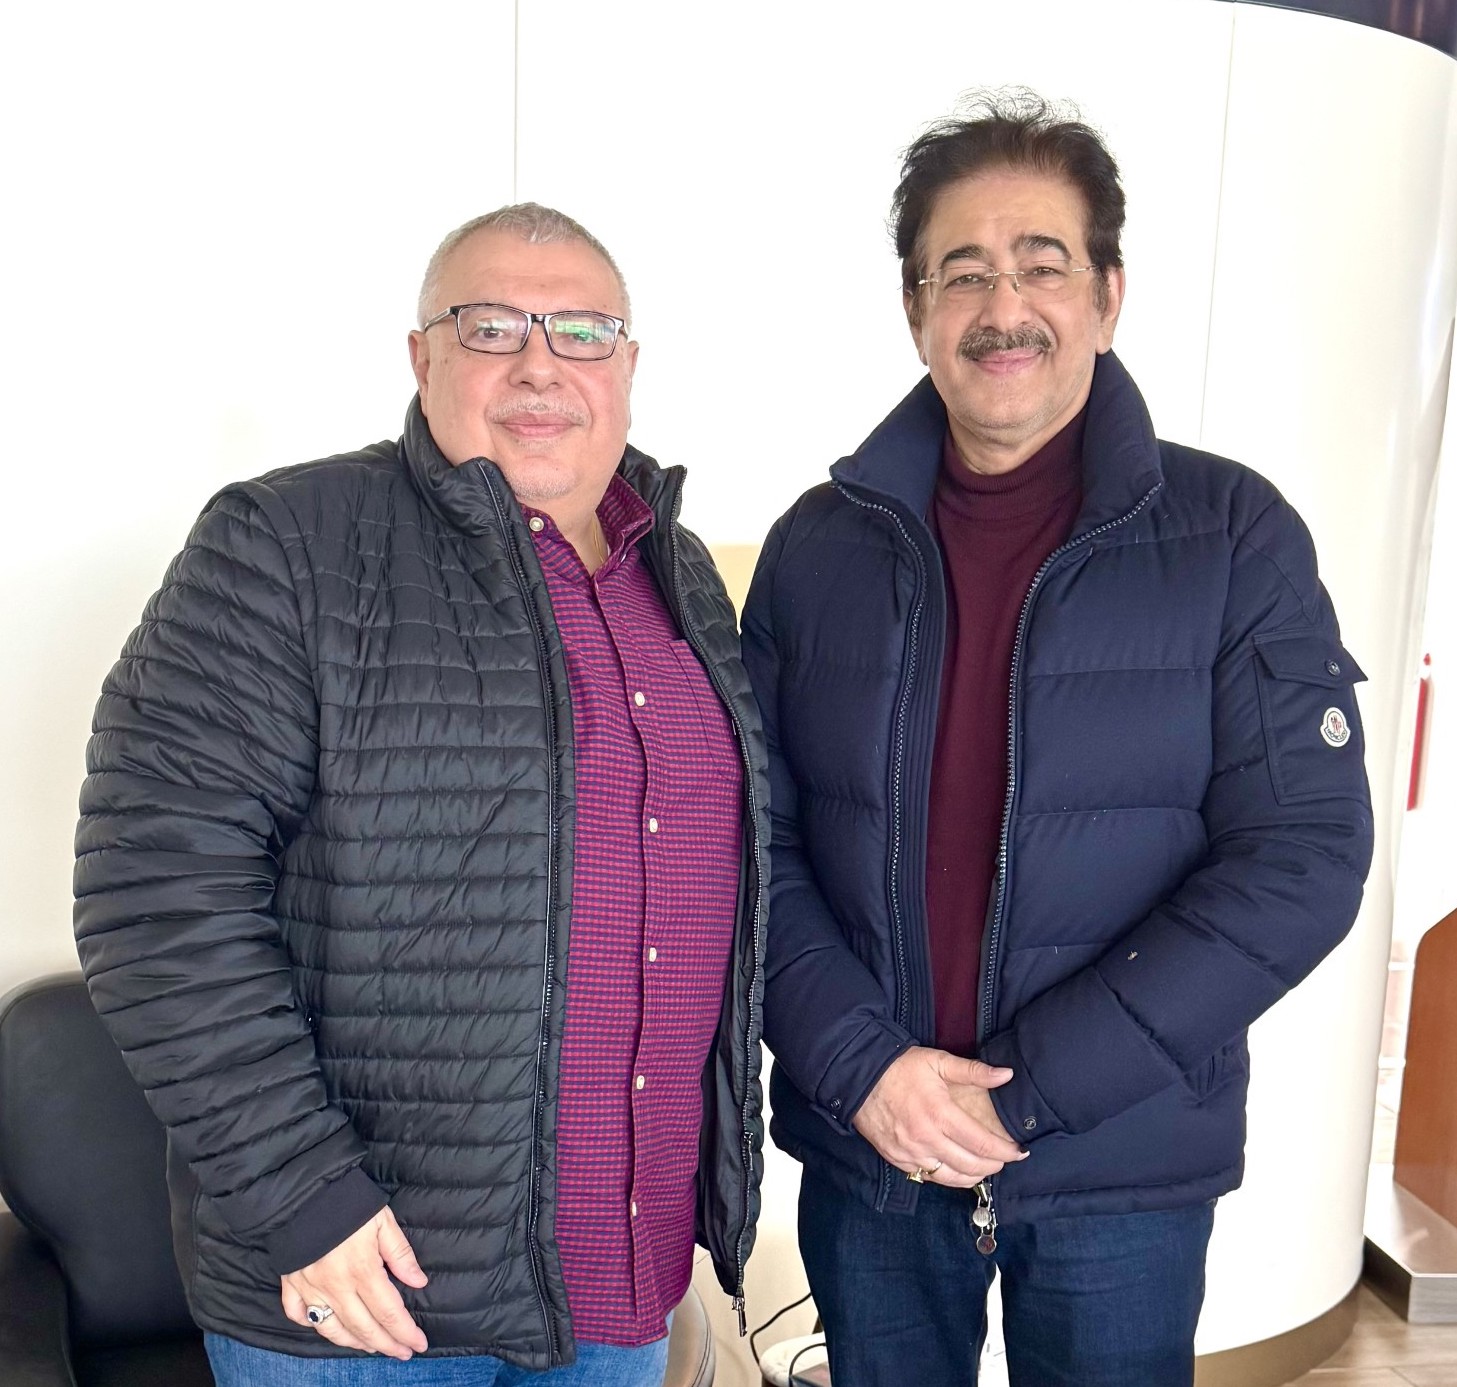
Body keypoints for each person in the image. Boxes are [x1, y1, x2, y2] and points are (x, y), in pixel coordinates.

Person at [74, 203, 769, 1386]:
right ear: (421, 356)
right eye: (490, 325)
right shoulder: (287, 544)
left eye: (582, 330)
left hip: (622, 1280)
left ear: (627, 365)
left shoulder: (679, 571)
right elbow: (155, 890)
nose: (540, 363)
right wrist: (300, 1196)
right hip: (367, 1303)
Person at [741, 91, 1374, 1386]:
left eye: (1041, 264)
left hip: (1116, 1161)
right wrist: (865, 1067)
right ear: (915, 307)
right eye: (962, 270)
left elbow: (1301, 856)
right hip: (873, 1148)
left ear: (1106, 294)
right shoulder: (818, 545)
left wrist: (1020, 1093)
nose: (1002, 306)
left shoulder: (1230, 536)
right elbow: (750, 837)